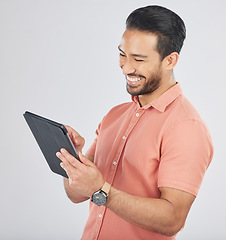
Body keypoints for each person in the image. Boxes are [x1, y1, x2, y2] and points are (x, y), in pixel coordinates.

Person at [56, 5, 213, 240]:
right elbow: (75, 194)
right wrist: (73, 158)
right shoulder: (114, 115)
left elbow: (173, 220)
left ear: (170, 60)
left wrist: (101, 190)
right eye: (122, 54)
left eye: (139, 59)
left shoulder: (186, 127)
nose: (126, 67)